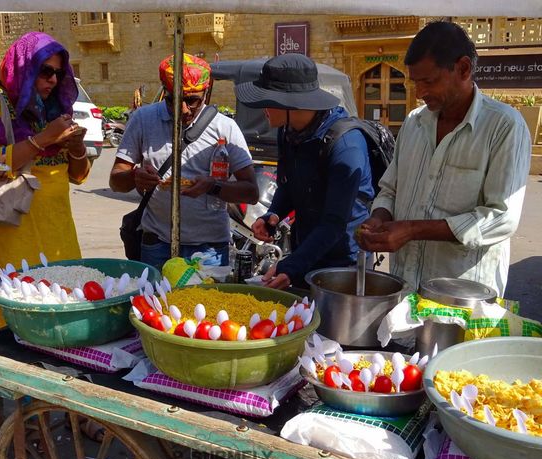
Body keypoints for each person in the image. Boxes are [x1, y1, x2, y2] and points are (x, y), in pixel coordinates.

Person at [356, 21, 531, 297]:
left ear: (463, 68)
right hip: (404, 286)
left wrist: (412, 230)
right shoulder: (414, 124)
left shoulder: (504, 126)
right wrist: (379, 218)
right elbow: (390, 189)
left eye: (429, 81)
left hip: (462, 296)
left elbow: (501, 217)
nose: (419, 93)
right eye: (415, 82)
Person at [0, 32, 91, 328]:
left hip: (59, 238)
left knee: (62, 321)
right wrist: (41, 140)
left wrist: (76, 148)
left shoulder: (55, 109)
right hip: (14, 241)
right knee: (17, 327)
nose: (52, 80)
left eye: (58, 73)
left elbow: (79, 175)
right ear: (23, 68)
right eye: (45, 71)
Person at [235, 53, 374, 289]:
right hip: (306, 251)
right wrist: (273, 215)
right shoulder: (288, 132)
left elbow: (334, 223)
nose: (263, 110)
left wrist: (292, 266)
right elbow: (289, 185)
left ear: (290, 103)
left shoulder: (346, 145)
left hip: (342, 266)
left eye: (268, 101)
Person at [110, 53, 259, 270]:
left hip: (209, 250)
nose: (183, 110)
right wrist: (135, 177)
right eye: (173, 100)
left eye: (192, 100)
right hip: (157, 244)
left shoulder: (225, 128)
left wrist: (213, 186)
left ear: (206, 94)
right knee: (156, 303)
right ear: (165, 92)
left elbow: (250, 192)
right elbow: (115, 181)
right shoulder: (143, 119)